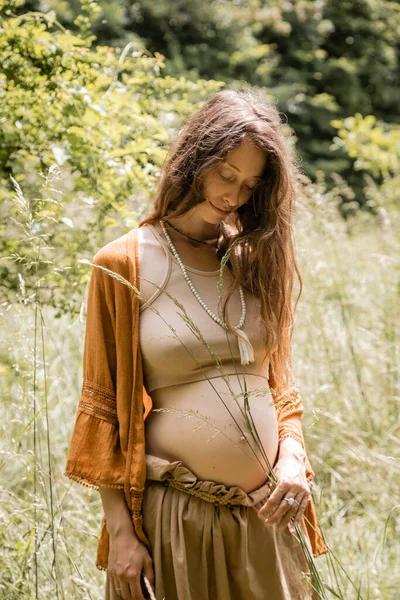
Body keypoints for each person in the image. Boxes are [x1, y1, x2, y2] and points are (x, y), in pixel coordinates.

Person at [64, 88, 328, 600]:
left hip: (267, 515)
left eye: (250, 186)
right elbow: (103, 409)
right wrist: (121, 534)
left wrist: (293, 459)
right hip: (178, 520)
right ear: (194, 158)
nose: (233, 196)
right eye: (226, 175)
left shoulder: (254, 261)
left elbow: (281, 387)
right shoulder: (123, 264)